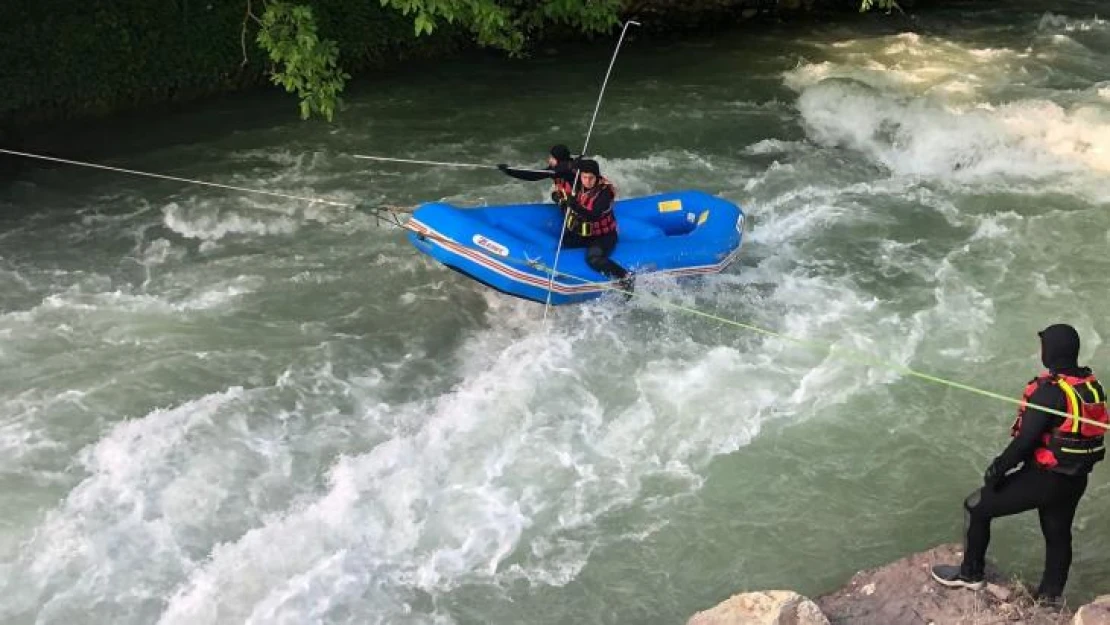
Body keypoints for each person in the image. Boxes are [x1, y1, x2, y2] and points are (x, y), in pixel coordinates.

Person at [931, 323, 1107, 605]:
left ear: (1052, 351)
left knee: (975, 506)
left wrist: (998, 469)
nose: (1040, 351)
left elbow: (1026, 441)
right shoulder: (1090, 386)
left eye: (1043, 346)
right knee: (1058, 534)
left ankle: (970, 574)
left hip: (1045, 479)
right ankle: (1050, 599)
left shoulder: (1050, 392)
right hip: (1075, 479)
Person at [551, 158, 634, 295]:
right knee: (566, 241)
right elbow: (560, 171)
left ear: (597, 177)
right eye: (585, 177)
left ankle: (626, 277)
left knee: (593, 259)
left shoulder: (605, 192)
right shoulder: (578, 182)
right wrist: (559, 198)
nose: (588, 181)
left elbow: (594, 215)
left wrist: (574, 205)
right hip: (585, 233)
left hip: (604, 236)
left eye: (591, 178)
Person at [497, 144, 577, 199]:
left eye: (552, 158)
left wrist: (509, 171)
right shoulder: (556, 168)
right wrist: (509, 170)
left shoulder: (564, 171)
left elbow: (532, 175)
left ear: (559, 159)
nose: (549, 160)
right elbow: (534, 174)